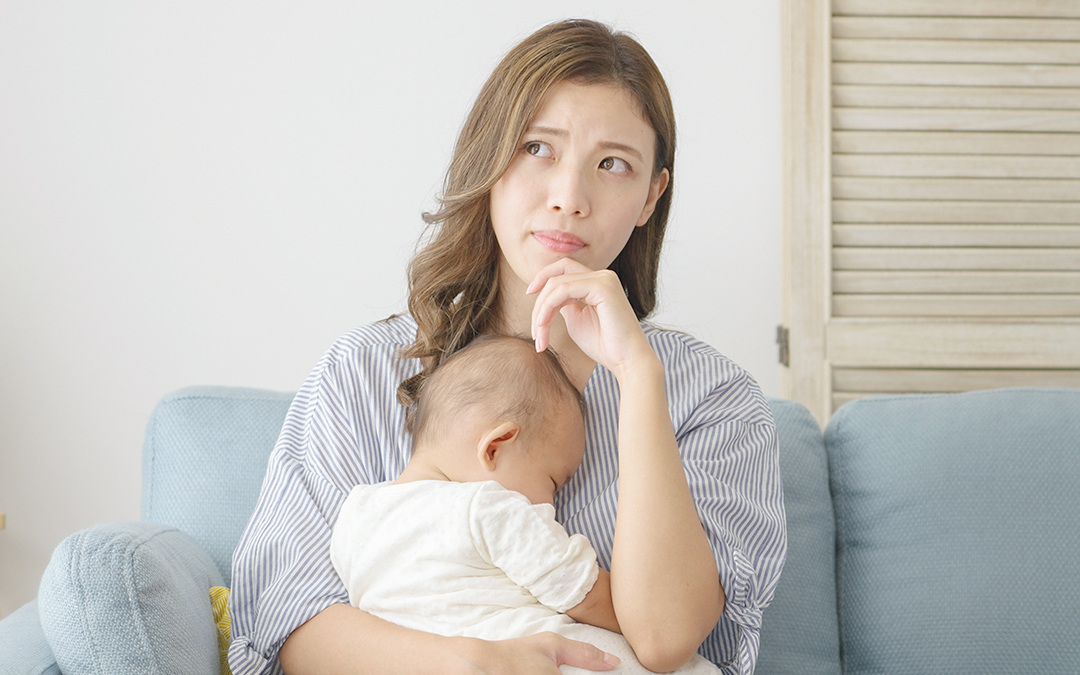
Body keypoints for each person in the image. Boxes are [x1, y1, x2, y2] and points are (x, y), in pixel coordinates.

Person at [229, 18, 786, 675]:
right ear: (489, 157)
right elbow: (290, 621)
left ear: (649, 196)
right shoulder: (364, 372)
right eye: (537, 148)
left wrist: (638, 376)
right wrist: (472, 662)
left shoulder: (713, 400)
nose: (567, 199)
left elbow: (664, 639)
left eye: (613, 164)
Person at [329, 334, 722, 675]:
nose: (554, 500)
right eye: (553, 481)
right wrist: (653, 612)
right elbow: (589, 595)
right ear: (495, 447)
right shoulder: (486, 508)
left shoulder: (355, 515)